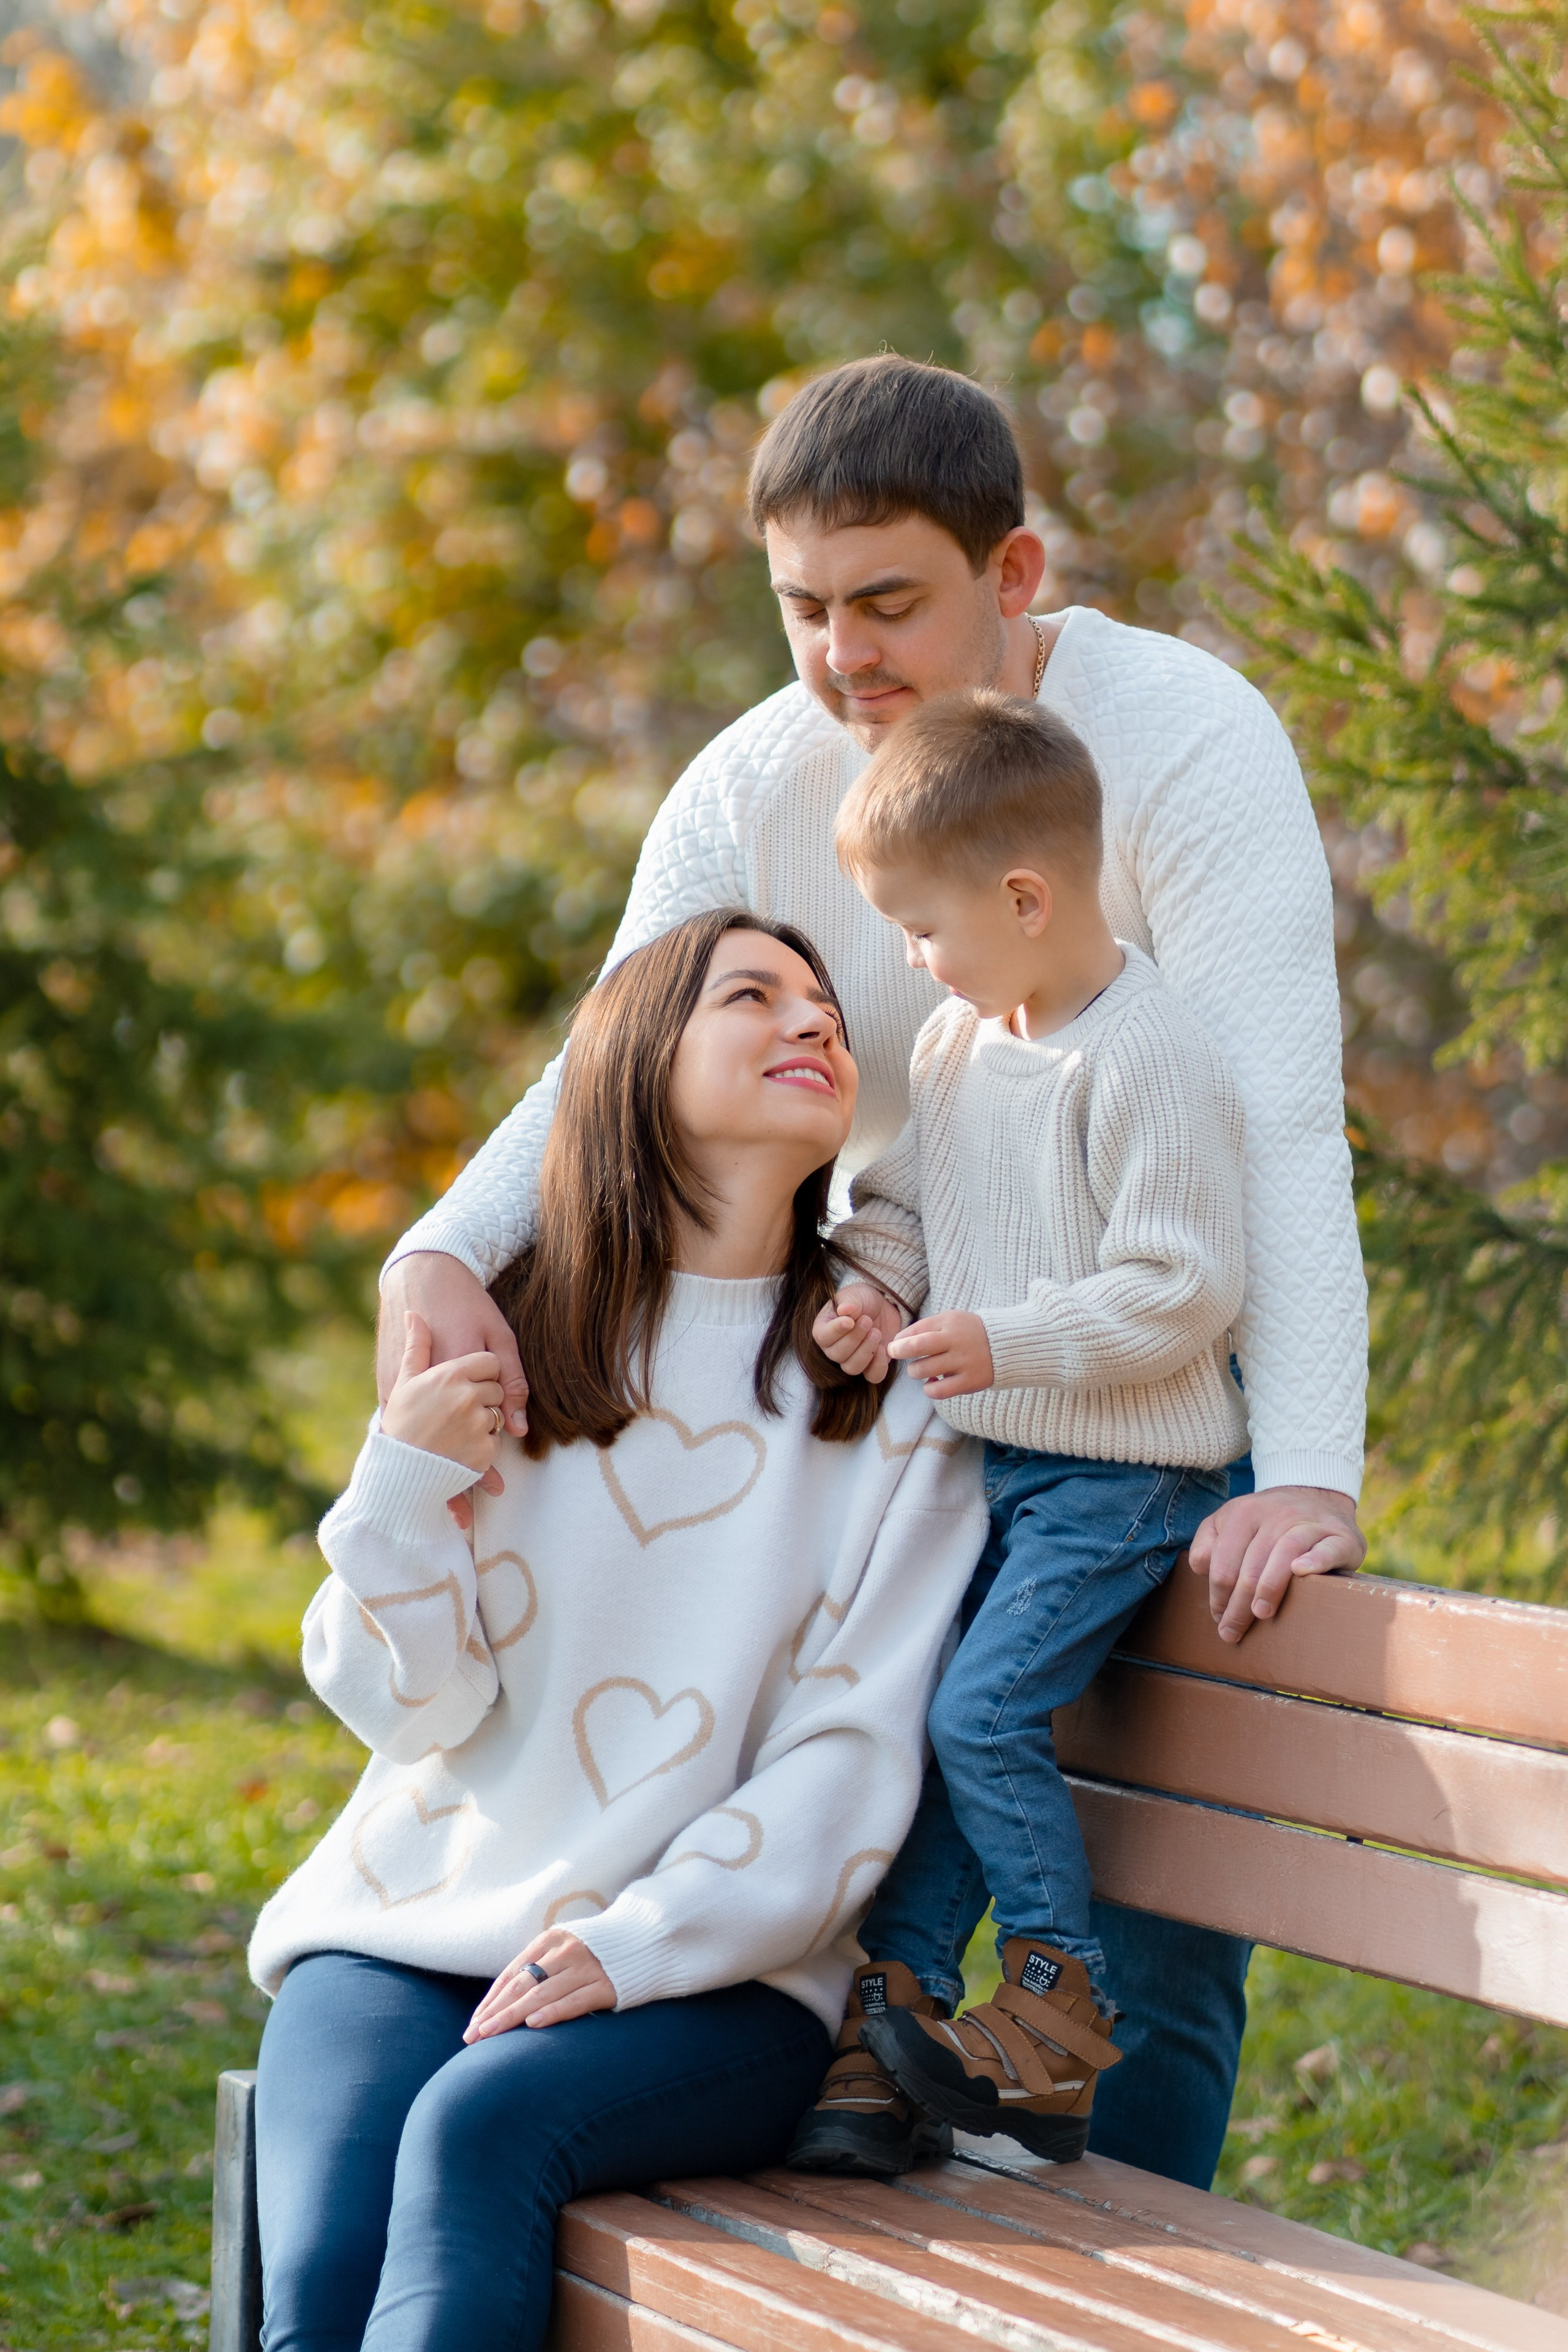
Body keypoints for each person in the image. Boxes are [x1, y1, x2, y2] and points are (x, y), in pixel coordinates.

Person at [375, 354, 1369, 2190]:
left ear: (1016, 573)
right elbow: (614, 1048)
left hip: (1152, 1406)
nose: (843, 656)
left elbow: (1279, 1122)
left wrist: (1304, 1464)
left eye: (890, 602)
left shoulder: (1189, 737)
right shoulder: (758, 778)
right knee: (900, 1816)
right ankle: (881, 2115)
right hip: (910, 1402)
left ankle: (1131, 2256)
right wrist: (442, 1246)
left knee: (1150, 1937)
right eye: (805, 609)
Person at [247, 911, 988, 2352]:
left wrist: (639, 1940)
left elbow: (848, 1761)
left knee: (477, 2130)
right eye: (750, 996)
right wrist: (399, 1484)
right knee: (326, 2267)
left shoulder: (897, 1403)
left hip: (722, 1979)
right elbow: (409, 1708)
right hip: (409, 1929)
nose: (812, 1024)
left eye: (826, 1008)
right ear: (636, 1067)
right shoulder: (512, 1344)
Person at [787, 687, 1246, 2169]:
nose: (913, 963)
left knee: (980, 1712)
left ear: (1026, 895)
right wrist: (871, 1286)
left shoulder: (1145, 1053)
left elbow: (1182, 1289)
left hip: (1125, 1478)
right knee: (932, 1718)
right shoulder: (955, 1048)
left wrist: (1012, 1338)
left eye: (922, 929)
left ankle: (1058, 2007)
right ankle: (899, 2020)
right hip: (1003, 1467)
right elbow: (912, 1207)